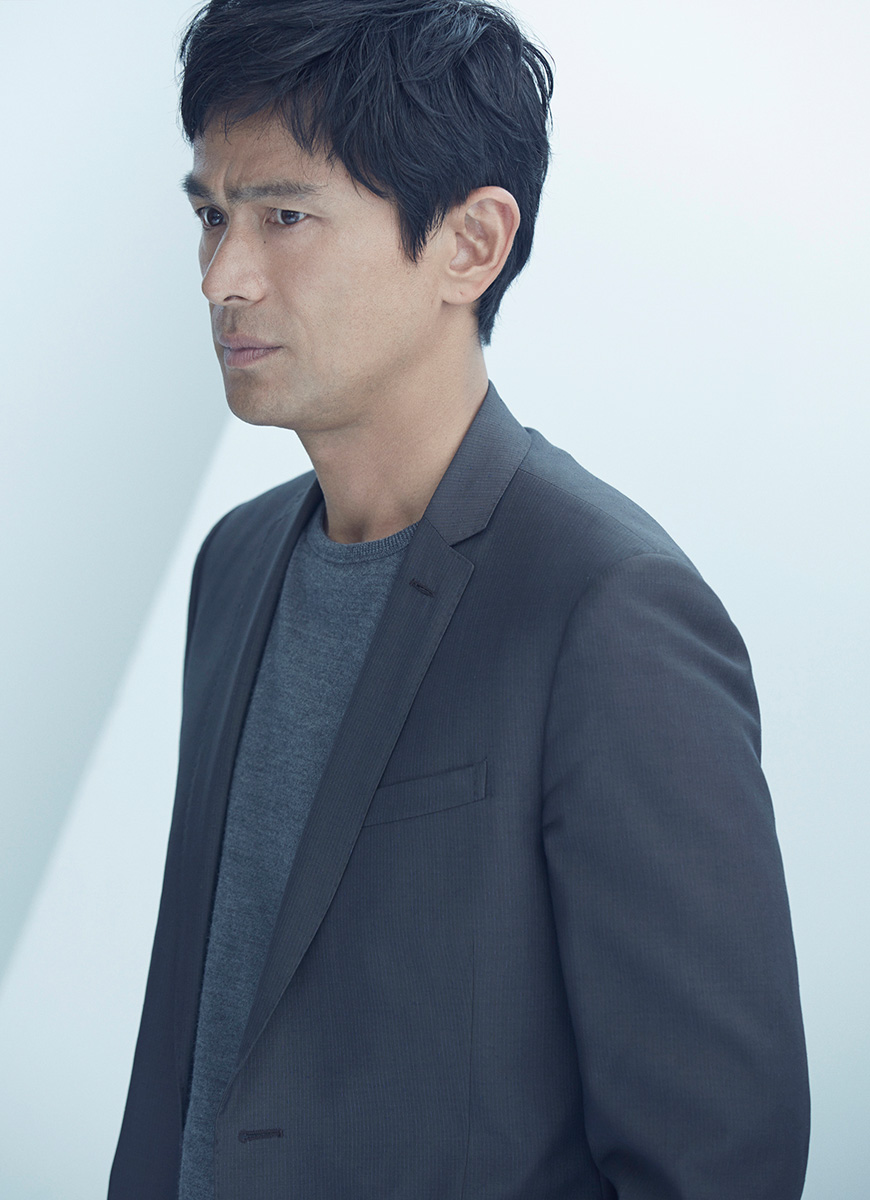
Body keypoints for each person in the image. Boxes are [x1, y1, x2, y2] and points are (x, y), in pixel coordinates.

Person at [109, 1, 810, 1197]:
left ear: (471, 244)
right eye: (211, 216)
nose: (224, 276)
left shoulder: (610, 610)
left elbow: (717, 1162)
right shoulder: (236, 563)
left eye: (284, 217)